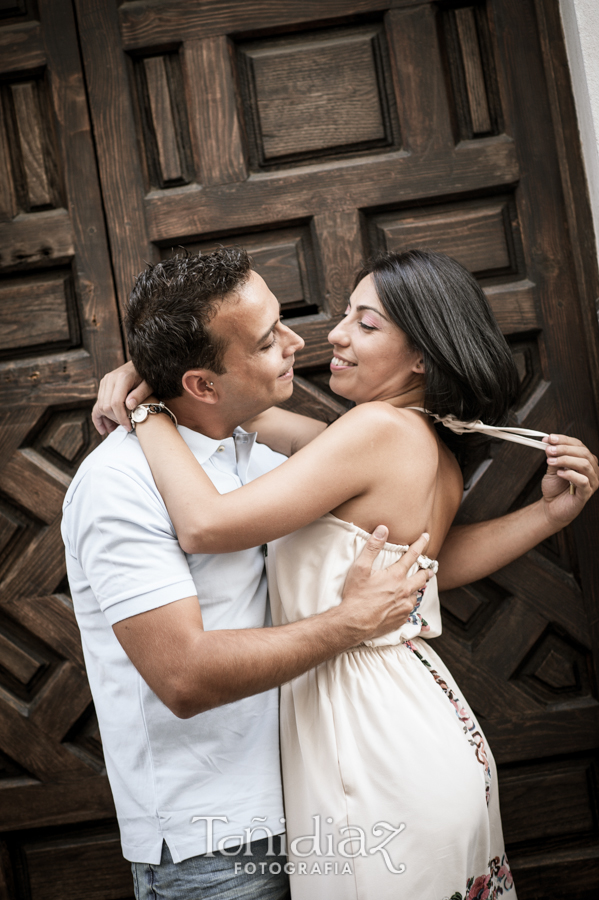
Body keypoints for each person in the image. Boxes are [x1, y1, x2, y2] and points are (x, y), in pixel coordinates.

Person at [88, 249, 597, 900]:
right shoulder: (407, 436)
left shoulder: (379, 432)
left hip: (368, 736)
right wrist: (161, 372)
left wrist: (150, 409)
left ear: (421, 356)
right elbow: (425, 563)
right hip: (410, 720)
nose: (333, 334)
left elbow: (206, 524)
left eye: (366, 323)